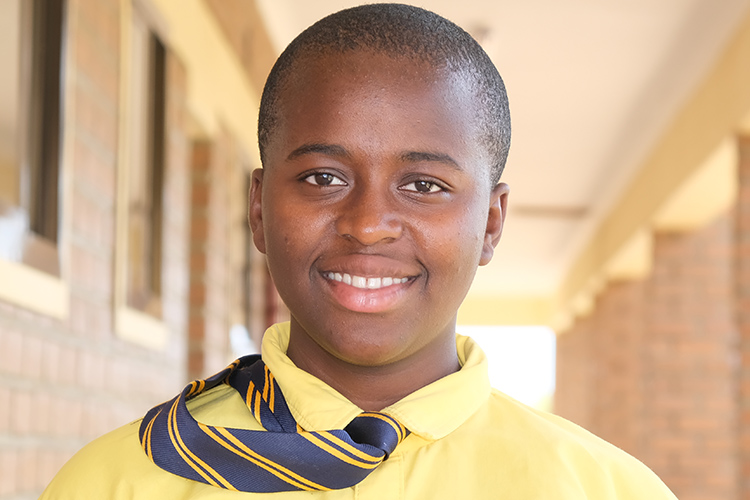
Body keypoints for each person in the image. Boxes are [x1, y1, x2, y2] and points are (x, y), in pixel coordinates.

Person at [41, 4, 677, 498]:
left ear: (490, 222)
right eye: (323, 177)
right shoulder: (118, 482)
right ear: (259, 208)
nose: (369, 224)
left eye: (424, 185)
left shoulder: (609, 489)